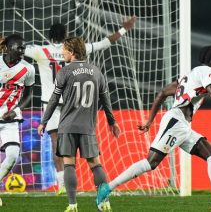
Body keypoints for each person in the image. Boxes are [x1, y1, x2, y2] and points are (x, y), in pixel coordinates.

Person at [96, 45, 211, 211]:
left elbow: (162, 93)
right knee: (150, 163)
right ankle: (107, 188)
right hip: (175, 122)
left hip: (182, 125)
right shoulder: (205, 71)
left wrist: (149, 121)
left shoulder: (188, 76)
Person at [25, 16, 136, 194]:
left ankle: (62, 184)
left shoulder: (40, 51)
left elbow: (18, 48)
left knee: (56, 143)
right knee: (86, 147)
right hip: (74, 104)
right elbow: (104, 43)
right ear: (66, 36)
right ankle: (99, 188)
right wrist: (124, 29)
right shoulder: (77, 50)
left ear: (49, 36)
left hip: (51, 105)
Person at [37, 37, 120, 212]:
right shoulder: (96, 71)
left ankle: (73, 204)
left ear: (72, 52)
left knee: (69, 164)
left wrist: (44, 121)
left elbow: (53, 100)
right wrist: (112, 122)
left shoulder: (64, 71)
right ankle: (104, 202)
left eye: (65, 50)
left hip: (67, 126)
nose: (62, 53)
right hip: (88, 126)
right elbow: (106, 100)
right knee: (95, 164)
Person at [0, 34, 35, 206]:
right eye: (18, 47)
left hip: (10, 120)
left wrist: (16, 110)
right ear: (7, 48)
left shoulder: (28, 69)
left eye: (23, 48)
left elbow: (29, 94)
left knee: (12, 156)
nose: (22, 51)